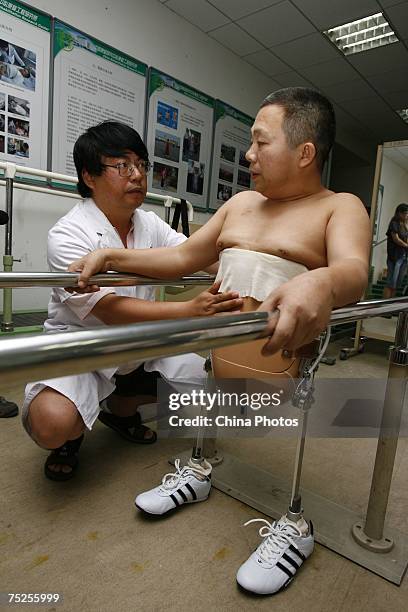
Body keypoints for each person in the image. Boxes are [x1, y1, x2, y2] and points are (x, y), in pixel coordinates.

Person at [69, 88, 371, 595]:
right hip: (218, 352)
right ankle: (200, 466)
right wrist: (111, 258)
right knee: (208, 394)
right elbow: (183, 258)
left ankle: (296, 524)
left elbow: (353, 270)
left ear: (304, 152)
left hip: (286, 365)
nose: (248, 155)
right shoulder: (241, 204)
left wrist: (321, 281)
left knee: (285, 427)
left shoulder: (340, 207)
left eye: (259, 142)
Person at [23, 121, 242, 483]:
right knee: (53, 423)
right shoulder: (68, 234)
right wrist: (187, 311)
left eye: (142, 164)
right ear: (89, 176)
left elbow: (195, 257)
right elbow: (108, 310)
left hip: (143, 346)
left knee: (219, 399)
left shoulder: (150, 223)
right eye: (123, 166)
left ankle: (121, 409)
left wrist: (249, 271)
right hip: (85, 349)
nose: (138, 175)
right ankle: (70, 437)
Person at [383, 203, 408, 298]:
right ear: (399, 213)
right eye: (405, 213)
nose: (406, 215)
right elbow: (396, 239)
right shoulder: (394, 223)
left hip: (403, 256)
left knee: (397, 283)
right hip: (395, 256)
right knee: (391, 282)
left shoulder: (404, 225)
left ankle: (391, 304)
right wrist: (406, 245)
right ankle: (385, 306)